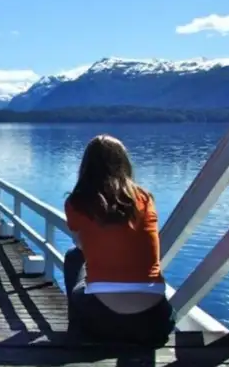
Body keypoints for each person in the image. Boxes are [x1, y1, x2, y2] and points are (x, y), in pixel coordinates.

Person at [63, 134, 174, 345]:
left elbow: (81, 245)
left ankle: (76, 331)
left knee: (74, 257)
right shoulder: (145, 198)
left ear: (86, 167)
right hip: (154, 320)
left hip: (102, 318)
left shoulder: (77, 202)